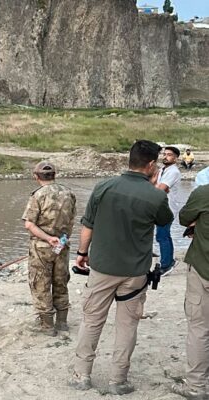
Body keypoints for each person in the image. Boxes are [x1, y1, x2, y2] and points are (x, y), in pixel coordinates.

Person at [70, 140, 173, 395]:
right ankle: (118, 380)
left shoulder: (103, 187)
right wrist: (153, 188)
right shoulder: (156, 195)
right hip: (135, 272)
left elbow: (88, 225)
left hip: (102, 267)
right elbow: (166, 221)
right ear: (150, 165)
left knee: (92, 321)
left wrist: (82, 253)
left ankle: (82, 375)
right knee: (127, 326)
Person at [21, 161, 77, 336]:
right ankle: (62, 322)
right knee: (60, 281)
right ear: (55, 174)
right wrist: (61, 239)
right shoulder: (69, 193)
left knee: (41, 283)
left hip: (41, 248)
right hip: (62, 245)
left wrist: (48, 238)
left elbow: (29, 224)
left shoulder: (37, 195)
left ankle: (47, 325)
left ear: (36, 176)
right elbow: (72, 220)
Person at [172, 178, 209, 399]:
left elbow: (184, 217)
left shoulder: (204, 193)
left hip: (204, 269)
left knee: (199, 328)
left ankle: (196, 386)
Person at [154, 146, 182, 276]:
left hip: (168, 208)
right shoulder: (162, 170)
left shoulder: (173, 172)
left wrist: (157, 187)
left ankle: (166, 264)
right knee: (163, 235)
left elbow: (161, 189)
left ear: (176, 158)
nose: (165, 156)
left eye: (169, 155)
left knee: (162, 236)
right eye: (164, 154)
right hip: (160, 206)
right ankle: (168, 260)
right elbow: (154, 185)